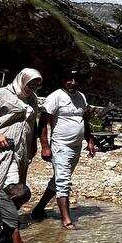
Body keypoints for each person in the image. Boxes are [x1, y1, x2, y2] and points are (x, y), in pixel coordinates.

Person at [33, 68, 97, 228]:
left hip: (76, 146)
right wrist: (45, 147)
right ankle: (66, 220)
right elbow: (43, 123)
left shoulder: (81, 97)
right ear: (62, 80)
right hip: (60, 146)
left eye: (76, 80)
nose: (73, 83)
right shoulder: (55, 97)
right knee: (63, 181)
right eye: (69, 79)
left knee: (58, 179)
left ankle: (39, 209)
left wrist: (89, 140)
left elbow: (84, 120)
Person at [0, 68, 43, 197]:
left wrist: (33, 144)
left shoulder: (33, 99)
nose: (33, 87)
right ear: (23, 80)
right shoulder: (3, 94)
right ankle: (2, 212)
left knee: (13, 183)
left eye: (37, 85)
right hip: (3, 146)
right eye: (31, 83)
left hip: (22, 148)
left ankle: (0, 212)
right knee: (10, 184)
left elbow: (32, 123)